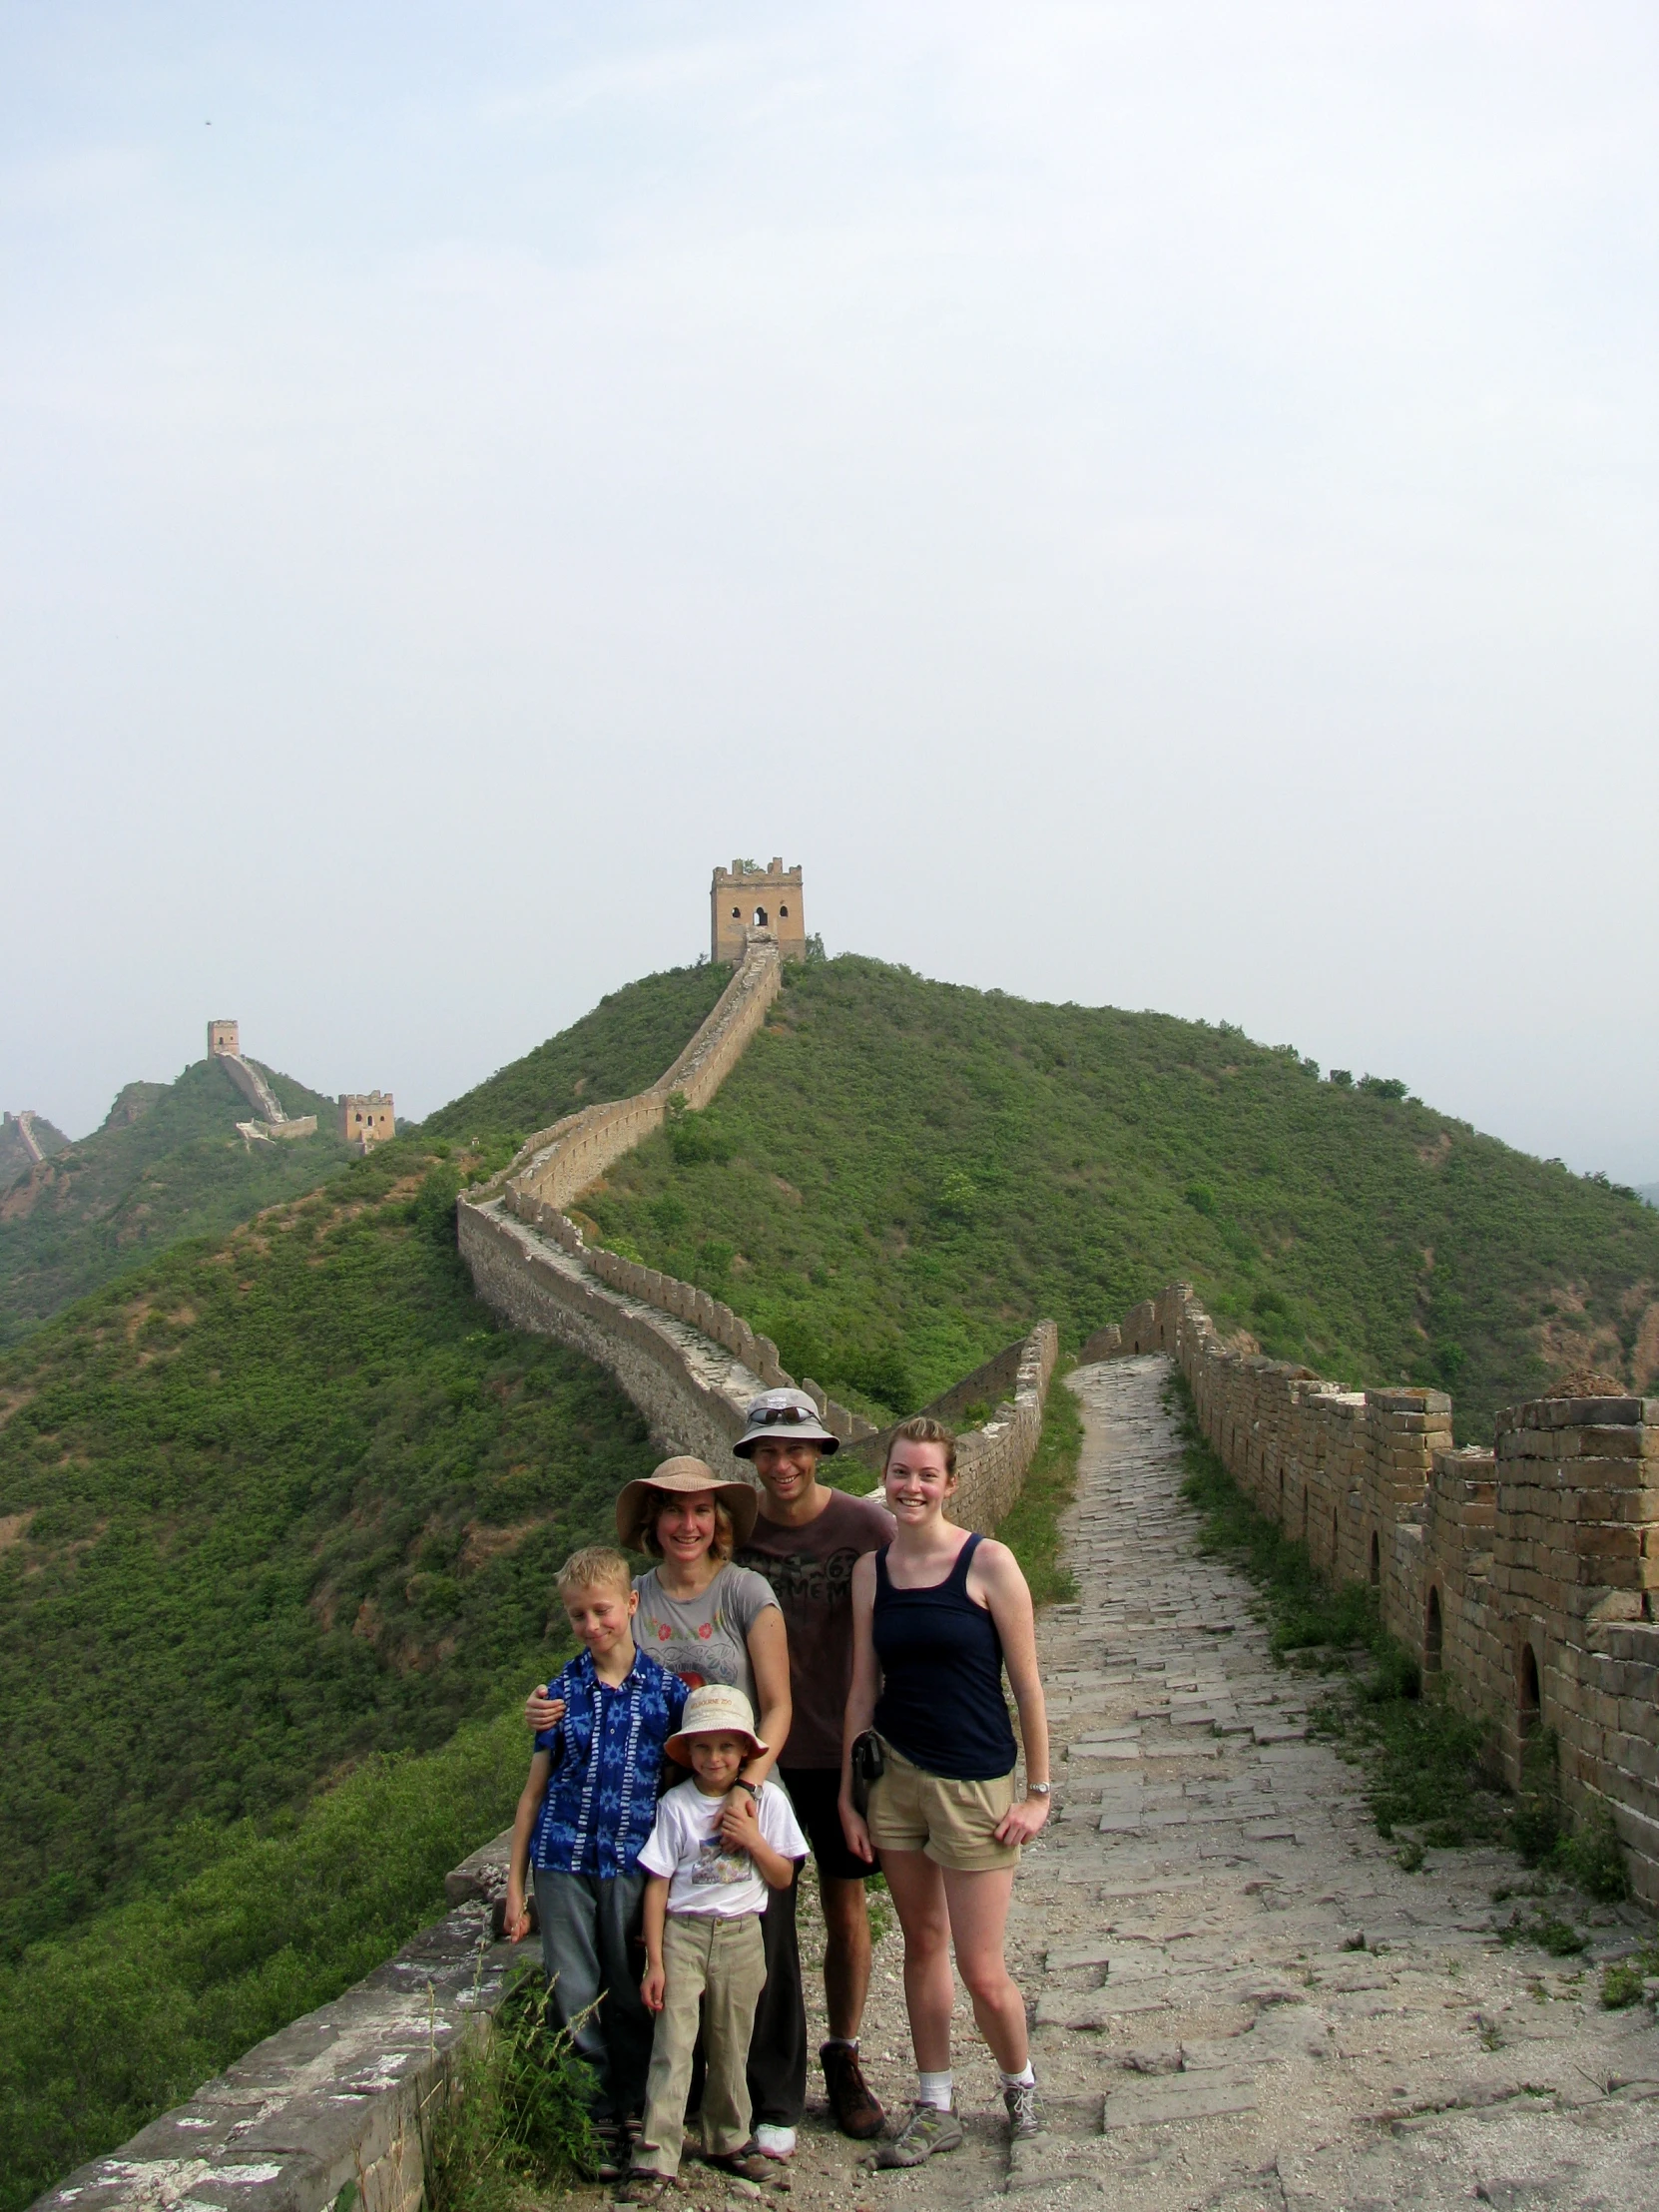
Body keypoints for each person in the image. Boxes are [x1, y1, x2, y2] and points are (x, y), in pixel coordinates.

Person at [525, 1460, 797, 2137]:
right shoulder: (633, 1596)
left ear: (719, 1521)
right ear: (654, 1524)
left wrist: (747, 1791)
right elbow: (596, 1670)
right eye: (673, 1512)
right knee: (673, 1968)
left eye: (701, 1511)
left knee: (757, 1959)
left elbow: (779, 1705)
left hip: (745, 1798)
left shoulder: (745, 1592)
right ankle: (675, 2109)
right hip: (661, 1817)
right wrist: (542, 1706)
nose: (687, 1524)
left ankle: (771, 2108)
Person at [838, 1415, 1053, 2169]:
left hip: (975, 1782)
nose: (912, 1487)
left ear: (951, 1483)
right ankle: (935, 2104)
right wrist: (848, 1794)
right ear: (886, 1477)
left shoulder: (989, 1563)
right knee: (922, 1945)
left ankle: (1019, 2084)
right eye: (901, 1473)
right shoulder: (874, 1571)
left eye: (927, 1475)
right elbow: (864, 1687)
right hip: (895, 1779)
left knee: (981, 1966)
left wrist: (1038, 1793)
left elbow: (1026, 1686)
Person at [732, 1387, 894, 2143]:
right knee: (762, 1918)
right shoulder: (737, 1534)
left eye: (796, 1449)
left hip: (837, 1750)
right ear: (752, 1460)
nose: (783, 1463)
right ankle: (768, 2069)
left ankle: (843, 2052)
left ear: (821, 1453)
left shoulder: (868, 1528)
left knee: (844, 1907)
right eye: (768, 1451)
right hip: (759, 1758)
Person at [502, 1546, 689, 2181]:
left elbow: (681, 1784)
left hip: (633, 1863)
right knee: (574, 1989)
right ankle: (593, 2114)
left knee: (632, 1983)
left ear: (631, 1604)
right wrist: (513, 1888)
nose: (592, 1625)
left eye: (602, 1611)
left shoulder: (666, 1694)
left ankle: (635, 2104)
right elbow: (533, 1794)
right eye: (578, 1615)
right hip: (564, 1859)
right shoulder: (559, 1693)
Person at [623, 1685, 809, 2204]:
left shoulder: (766, 1803)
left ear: (746, 1752)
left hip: (741, 1934)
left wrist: (751, 1839)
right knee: (674, 2046)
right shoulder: (677, 1806)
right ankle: (656, 2156)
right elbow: (658, 1884)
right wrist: (654, 1960)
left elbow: (782, 1876)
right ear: (689, 1752)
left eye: (727, 1747)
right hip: (683, 1933)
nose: (714, 1758)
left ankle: (729, 2137)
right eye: (702, 1748)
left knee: (731, 2043)